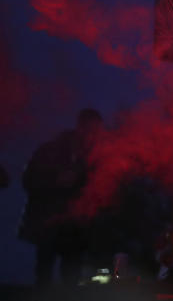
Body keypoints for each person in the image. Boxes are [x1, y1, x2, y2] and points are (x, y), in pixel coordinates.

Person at [20, 109, 103, 286]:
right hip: (48, 220)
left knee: (72, 276)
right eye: (89, 130)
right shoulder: (50, 151)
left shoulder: (93, 158)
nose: (92, 136)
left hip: (75, 226)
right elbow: (28, 181)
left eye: (96, 132)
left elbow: (96, 190)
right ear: (80, 127)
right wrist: (55, 180)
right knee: (44, 276)